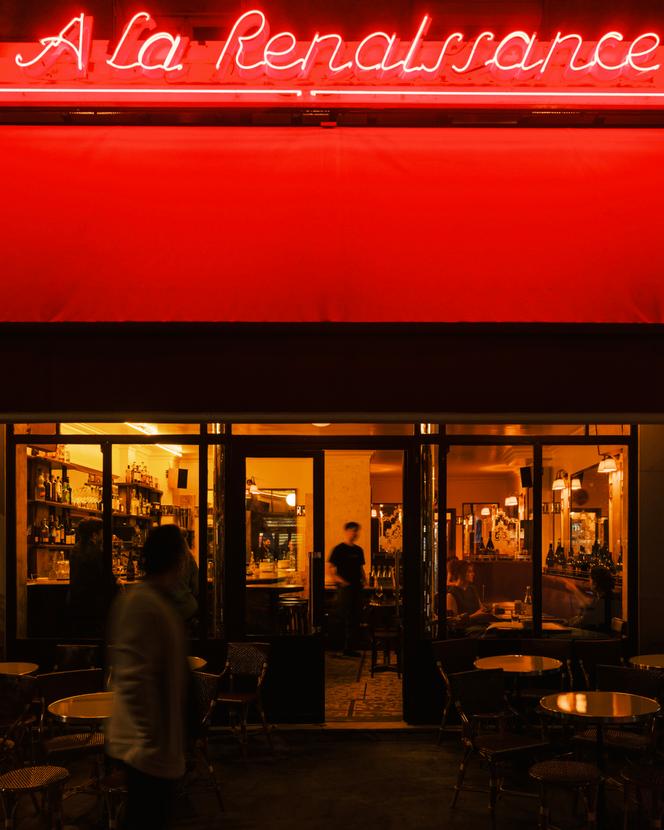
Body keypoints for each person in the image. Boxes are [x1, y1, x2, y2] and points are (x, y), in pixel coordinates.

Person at [106, 525, 190, 830]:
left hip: (154, 749)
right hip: (145, 751)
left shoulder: (152, 600)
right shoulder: (144, 604)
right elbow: (133, 680)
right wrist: (148, 742)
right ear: (178, 559)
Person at [67, 518, 117, 637]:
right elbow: (105, 577)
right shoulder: (96, 552)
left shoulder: (75, 549)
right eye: (102, 533)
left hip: (75, 603)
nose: (104, 536)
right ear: (94, 535)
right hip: (93, 607)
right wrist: (116, 581)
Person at [329, 521, 367, 656]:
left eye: (356, 530)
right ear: (346, 532)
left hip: (357, 587)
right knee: (343, 616)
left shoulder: (358, 550)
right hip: (345, 589)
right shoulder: (339, 549)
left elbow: (361, 568)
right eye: (352, 530)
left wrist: (365, 580)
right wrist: (340, 581)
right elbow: (331, 568)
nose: (354, 533)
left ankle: (350, 648)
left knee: (355, 617)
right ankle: (339, 647)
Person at [446, 558, 494, 631]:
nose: (473, 574)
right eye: (469, 571)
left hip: (479, 626)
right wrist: (474, 616)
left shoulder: (472, 589)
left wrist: (489, 609)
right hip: (466, 631)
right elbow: (453, 622)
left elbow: (481, 608)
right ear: (460, 573)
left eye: (472, 571)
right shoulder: (451, 594)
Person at [567, 565, 614, 633]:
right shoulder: (603, 596)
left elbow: (585, 621)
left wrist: (567, 625)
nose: (589, 581)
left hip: (597, 639)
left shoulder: (604, 600)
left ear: (595, 583)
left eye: (590, 578)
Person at [169, 535, 199, 633]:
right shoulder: (189, 559)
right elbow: (196, 587)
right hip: (187, 608)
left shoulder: (165, 560)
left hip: (170, 610)